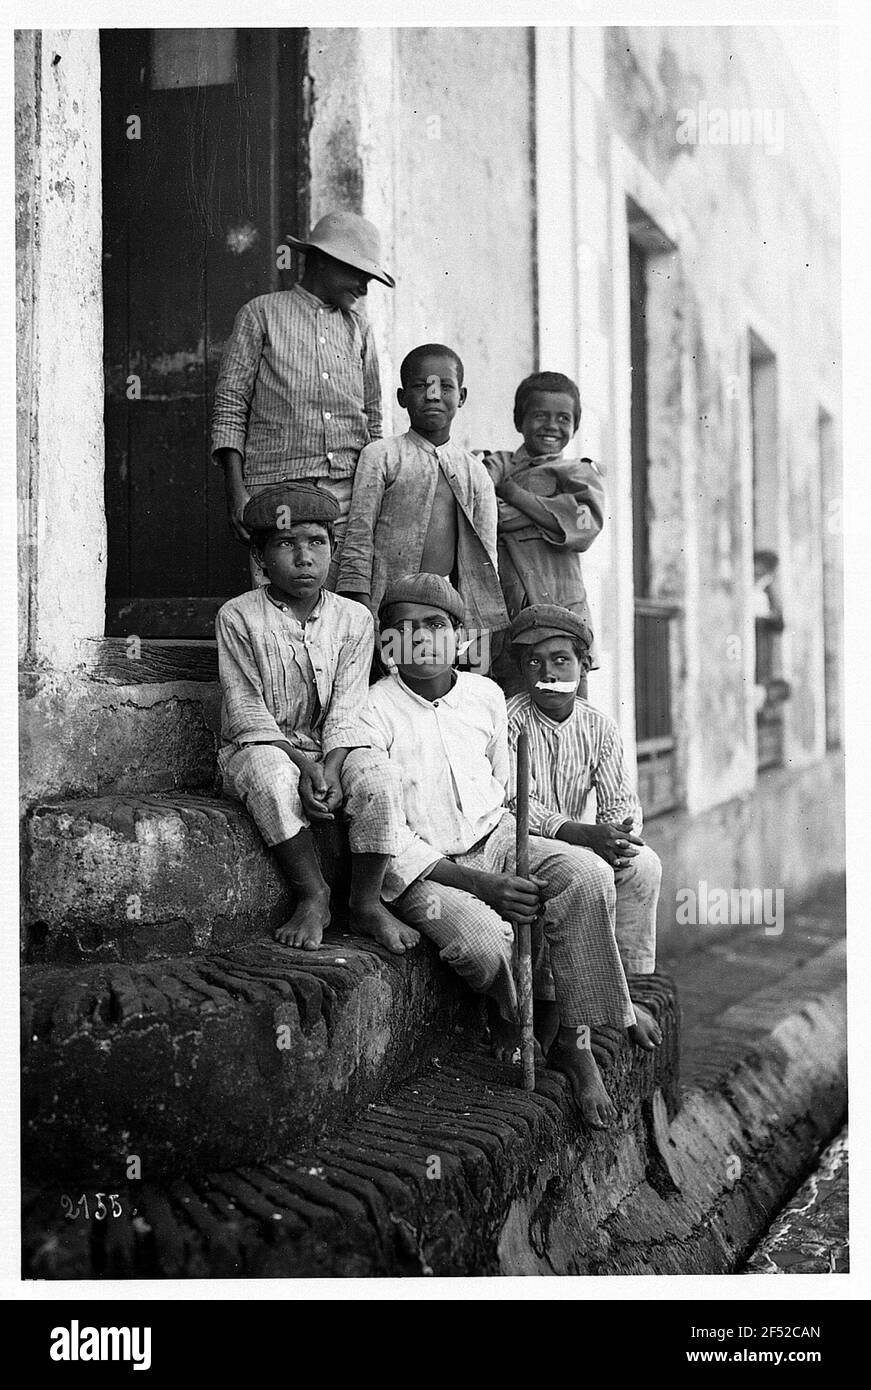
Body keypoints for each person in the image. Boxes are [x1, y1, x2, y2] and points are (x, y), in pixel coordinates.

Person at [360, 573, 649, 1129]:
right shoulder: (374, 711)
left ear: (460, 639)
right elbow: (388, 837)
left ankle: (574, 1039)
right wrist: (482, 886)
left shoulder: (484, 697)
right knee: (485, 942)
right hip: (431, 871)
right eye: (406, 629)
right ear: (386, 643)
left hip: (497, 839)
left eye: (437, 626)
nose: (422, 639)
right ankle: (509, 1010)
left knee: (586, 874)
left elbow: (506, 799)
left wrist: (519, 855)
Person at [215, 482, 418, 956]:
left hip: (333, 746)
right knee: (269, 775)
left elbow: (349, 706)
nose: (304, 558)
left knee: (380, 775)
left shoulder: (354, 618)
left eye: (317, 543)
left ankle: (366, 902)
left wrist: (330, 765)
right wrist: (305, 767)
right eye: (286, 544)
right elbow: (246, 710)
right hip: (263, 745)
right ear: (261, 557)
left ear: (332, 550)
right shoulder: (239, 616)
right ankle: (313, 893)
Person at [504, 603, 663, 1061]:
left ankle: (623, 994)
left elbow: (620, 802)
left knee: (642, 863)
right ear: (522, 669)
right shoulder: (512, 720)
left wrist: (616, 835)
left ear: (583, 665)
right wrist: (579, 833)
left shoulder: (598, 726)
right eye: (535, 662)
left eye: (561, 661)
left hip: (583, 845)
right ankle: (567, 1024)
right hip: (526, 845)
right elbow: (515, 804)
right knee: (583, 873)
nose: (549, 673)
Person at [211, 211, 395, 585]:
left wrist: (372, 498)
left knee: (343, 610)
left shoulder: (359, 329)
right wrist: (236, 494)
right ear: (323, 260)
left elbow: (374, 419)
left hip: (346, 493)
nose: (364, 286)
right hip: (275, 488)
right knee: (280, 609)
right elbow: (231, 406)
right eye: (358, 272)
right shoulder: (261, 314)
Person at [336, 344, 507, 669]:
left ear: (462, 396)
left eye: (445, 386)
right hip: (384, 605)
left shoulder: (475, 472)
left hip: (445, 612)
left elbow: (486, 558)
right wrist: (362, 615)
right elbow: (358, 538)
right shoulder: (381, 456)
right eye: (420, 386)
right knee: (387, 688)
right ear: (402, 397)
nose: (432, 395)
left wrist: (479, 629)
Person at [481, 370, 605, 686]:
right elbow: (482, 505)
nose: (552, 426)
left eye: (563, 418)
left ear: (575, 426)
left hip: (563, 608)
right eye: (540, 415)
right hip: (510, 611)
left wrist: (515, 494)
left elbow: (586, 525)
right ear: (519, 420)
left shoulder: (578, 473)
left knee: (567, 709)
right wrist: (552, 506)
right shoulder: (499, 463)